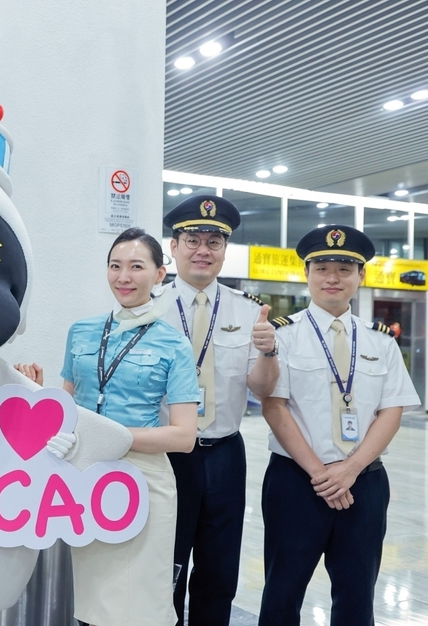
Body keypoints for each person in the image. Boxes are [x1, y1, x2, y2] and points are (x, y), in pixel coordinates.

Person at [259, 225, 420, 626]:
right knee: (282, 593)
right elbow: (274, 406)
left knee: (356, 597)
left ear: (361, 277)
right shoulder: (284, 336)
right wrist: (320, 473)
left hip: (363, 483)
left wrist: (348, 470)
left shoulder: (380, 341)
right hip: (296, 483)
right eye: (322, 268)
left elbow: (392, 410)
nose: (333, 277)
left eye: (344, 269)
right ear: (307, 274)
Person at [62, 227, 200, 626]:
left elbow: (184, 436)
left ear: (159, 274)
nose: (124, 276)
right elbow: (67, 405)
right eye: (115, 266)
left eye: (137, 266)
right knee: (92, 595)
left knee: (139, 601)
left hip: (144, 479)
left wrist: (112, 437)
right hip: (86, 474)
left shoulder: (173, 344)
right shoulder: (82, 332)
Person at [160, 195, 279, 625]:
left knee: (219, 569)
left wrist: (268, 352)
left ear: (224, 250)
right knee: (164, 566)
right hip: (166, 454)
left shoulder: (248, 312)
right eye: (193, 239)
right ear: (173, 246)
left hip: (225, 453)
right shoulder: (149, 308)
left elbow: (261, 389)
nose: (203, 250)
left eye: (214, 241)